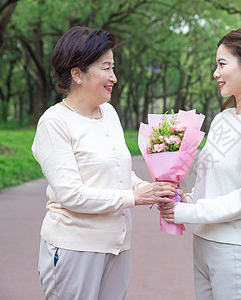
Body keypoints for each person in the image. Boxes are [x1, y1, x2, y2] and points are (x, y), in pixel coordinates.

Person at [32, 26, 177, 300]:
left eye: (113, 67)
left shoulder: (109, 113)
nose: (114, 77)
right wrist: (133, 197)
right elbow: (71, 195)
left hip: (117, 245)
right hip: (76, 247)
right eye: (106, 68)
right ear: (77, 74)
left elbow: (119, 170)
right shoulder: (54, 123)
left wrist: (150, 189)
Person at [161, 28, 241, 300]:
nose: (215, 73)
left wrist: (189, 213)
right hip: (203, 245)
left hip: (235, 252)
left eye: (222, 64)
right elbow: (209, 184)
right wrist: (185, 199)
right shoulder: (223, 119)